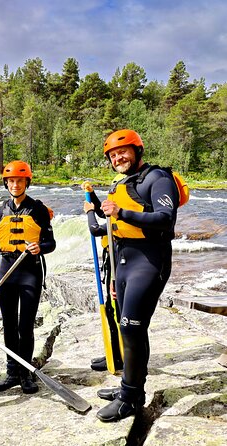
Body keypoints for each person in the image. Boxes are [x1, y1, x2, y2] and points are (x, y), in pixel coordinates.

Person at [95, 129, 179, 422]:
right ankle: (130, 388)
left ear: (137, 151)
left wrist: (121, 214)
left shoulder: (158, 179)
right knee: (126, 326)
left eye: (124, 151)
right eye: (113, 154)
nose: (119, 157)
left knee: (132, 327)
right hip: (125, 261)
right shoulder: (124, 183)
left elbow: (165, 219)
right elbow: (114, 226)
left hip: (150, 261)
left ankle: (130, 397)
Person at [0, 160, 56, 395]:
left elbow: (50, 242)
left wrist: (40, 247)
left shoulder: (38, 209)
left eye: (19, 180)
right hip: (7, 272)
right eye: (11, 181)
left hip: (30, 273)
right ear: (6, 183)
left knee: (25, 325)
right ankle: (11, 373)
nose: (15, 184)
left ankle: (26, 373)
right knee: (8, 325)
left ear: (27, 182)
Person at [82, 176, 126, 373]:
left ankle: (120, 357)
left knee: (115, 310)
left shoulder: (126, 210)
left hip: (119, 261)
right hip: (113, 259)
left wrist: (89, 212)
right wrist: (91, 194)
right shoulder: (120, 207)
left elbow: (95, 228)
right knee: (112, 308)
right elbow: (104, 212)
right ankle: (115, 352)